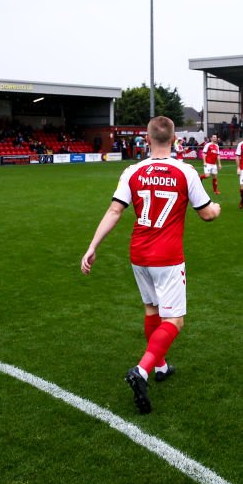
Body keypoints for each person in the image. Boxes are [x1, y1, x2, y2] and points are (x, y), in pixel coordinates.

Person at [81, 116, 221, 415]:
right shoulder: (185, 172)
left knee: (151, 311)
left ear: (146, 139)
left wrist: (93, 247)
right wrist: (217, 208)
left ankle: (160, 365)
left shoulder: (133, 171)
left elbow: (114, 210)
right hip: (167, 256)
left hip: (139, 254)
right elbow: (207, 215)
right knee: (175, 321)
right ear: (174, 140)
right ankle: (142, 370)